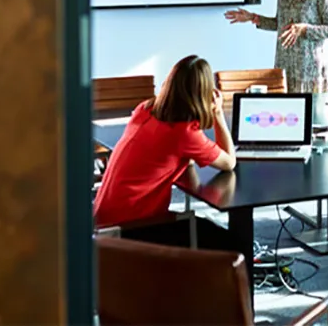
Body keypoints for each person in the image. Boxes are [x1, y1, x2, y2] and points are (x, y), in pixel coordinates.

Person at [93, 55, 236, 229]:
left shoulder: (146, 108)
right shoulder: (184, 133)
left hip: (103, 218)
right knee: (222, 237)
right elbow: (229, 162)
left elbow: (181, 157)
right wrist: (218, 114)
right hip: (130, 227)